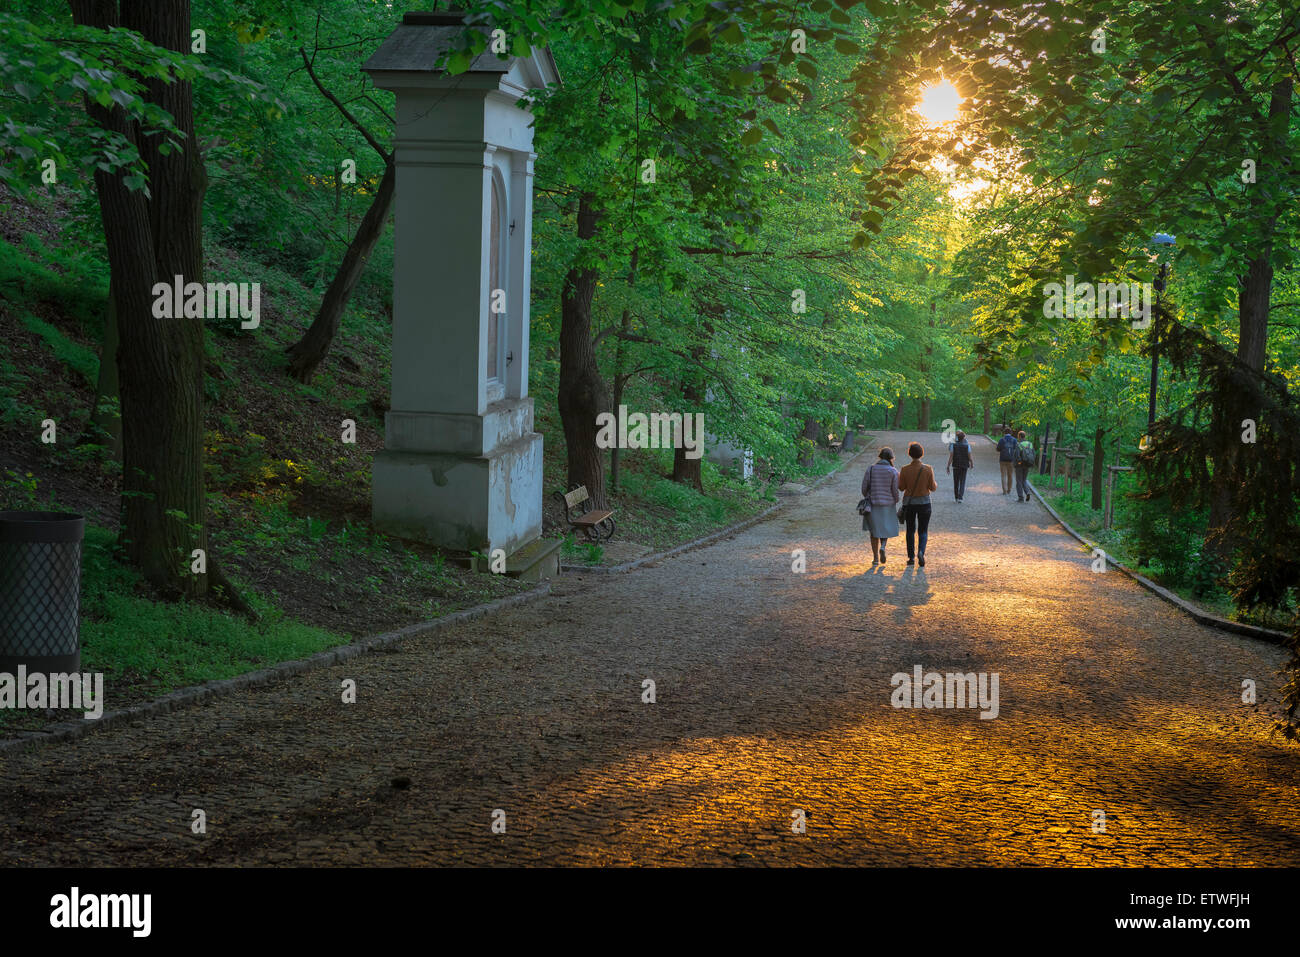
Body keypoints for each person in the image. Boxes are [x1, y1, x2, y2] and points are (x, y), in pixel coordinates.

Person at [898, 441, 938, 567]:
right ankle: (921, 552)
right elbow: (933, 488)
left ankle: (910, 557)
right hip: (924, 503)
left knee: (910, 530)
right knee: (923, 530)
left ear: (909, 454)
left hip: (909, 504)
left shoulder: (904, 469)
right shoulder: (928, 469)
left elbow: (901, 487)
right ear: (922, 454)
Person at [861, 446, 900, 565]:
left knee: (874, 531)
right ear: (891, 458)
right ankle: (883, 546)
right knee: (885, 528)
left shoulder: (871, 469)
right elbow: (895, 490)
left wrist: (868, 495)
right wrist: (896, 500)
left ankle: (875, 559)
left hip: (873, 504)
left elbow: (864, 488)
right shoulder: (893, 471)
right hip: (888, 505)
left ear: (880, 457)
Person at [945, 430, 974, 502]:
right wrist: (972, 463)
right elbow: (970, 456)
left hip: (956, 465)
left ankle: (956, 497)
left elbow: (951, 457)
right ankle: (960, 497)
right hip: (964, 465)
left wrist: (948, 466)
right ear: (963, 438)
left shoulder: (953, 445)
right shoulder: (967, 445)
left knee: (956, 481)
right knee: (962, 481)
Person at [1014, 430, 1035, 502]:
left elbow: (1017, 456)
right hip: (1027, 464)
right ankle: (1027, 492)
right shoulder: (1030, 444)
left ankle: (1020, 497)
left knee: (1019, 481)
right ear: (1025, 436)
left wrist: (1016, 464)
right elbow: (1033, 454)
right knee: (1024, 480)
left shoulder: (1019, 445)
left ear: (1019, 436)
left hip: (1020, 465)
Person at [995, 427, 1018, 494]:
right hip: (1011, 460)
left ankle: (1004, 490)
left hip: (1002, 459)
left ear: (1004, 432)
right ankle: (1009, 489)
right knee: (1010, 475)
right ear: (1011, 432)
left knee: (1003, 475)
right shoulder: (1014, 440)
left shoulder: (1002, 440)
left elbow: (998, 449)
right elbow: (1016, 449)